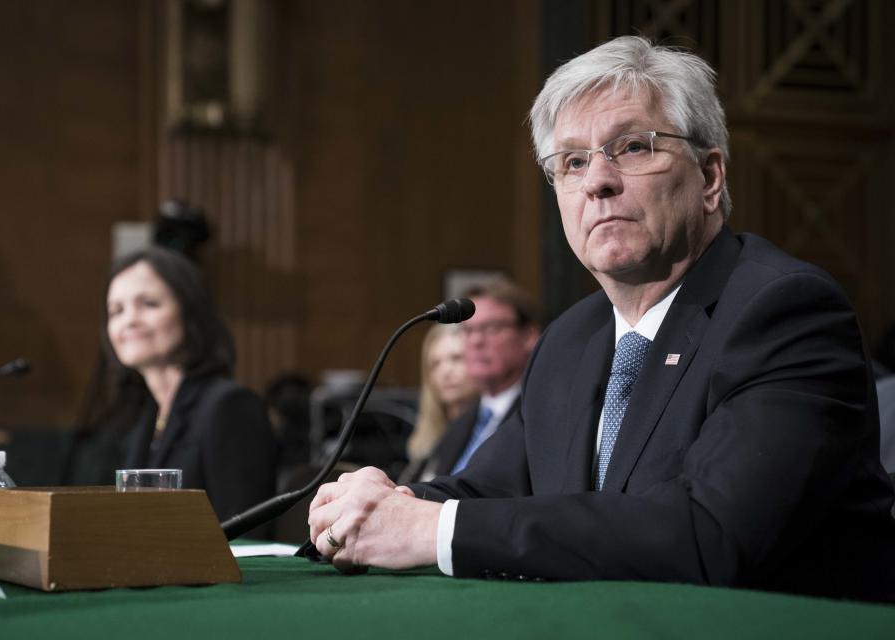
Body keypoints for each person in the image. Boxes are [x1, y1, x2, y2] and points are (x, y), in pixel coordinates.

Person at [306, 36, 895, 601]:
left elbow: (711, 534)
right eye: (571, 162)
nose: (598, 181)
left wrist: (427, 529)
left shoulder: (784, 310)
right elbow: (486, 491)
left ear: (711, 178)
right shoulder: (573, 337)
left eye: (634, 147)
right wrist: (376, 504)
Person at [103, 246, 277, 530]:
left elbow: (248, 533)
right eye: (116, 310)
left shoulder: (230, 406)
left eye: (149, 303)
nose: (129, 319)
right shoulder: (148, 414)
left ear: (190, 311)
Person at [411, 279, 540, 480]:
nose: (476, 340)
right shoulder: (460, 423)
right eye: (468, 330)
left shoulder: (540, 413)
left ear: (528, 337)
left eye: (491, 327)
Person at [399, 324, 478, 483]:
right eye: (435, 364)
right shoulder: (428, 439)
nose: (445, 371)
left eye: (457, 358)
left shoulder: (487, 431)